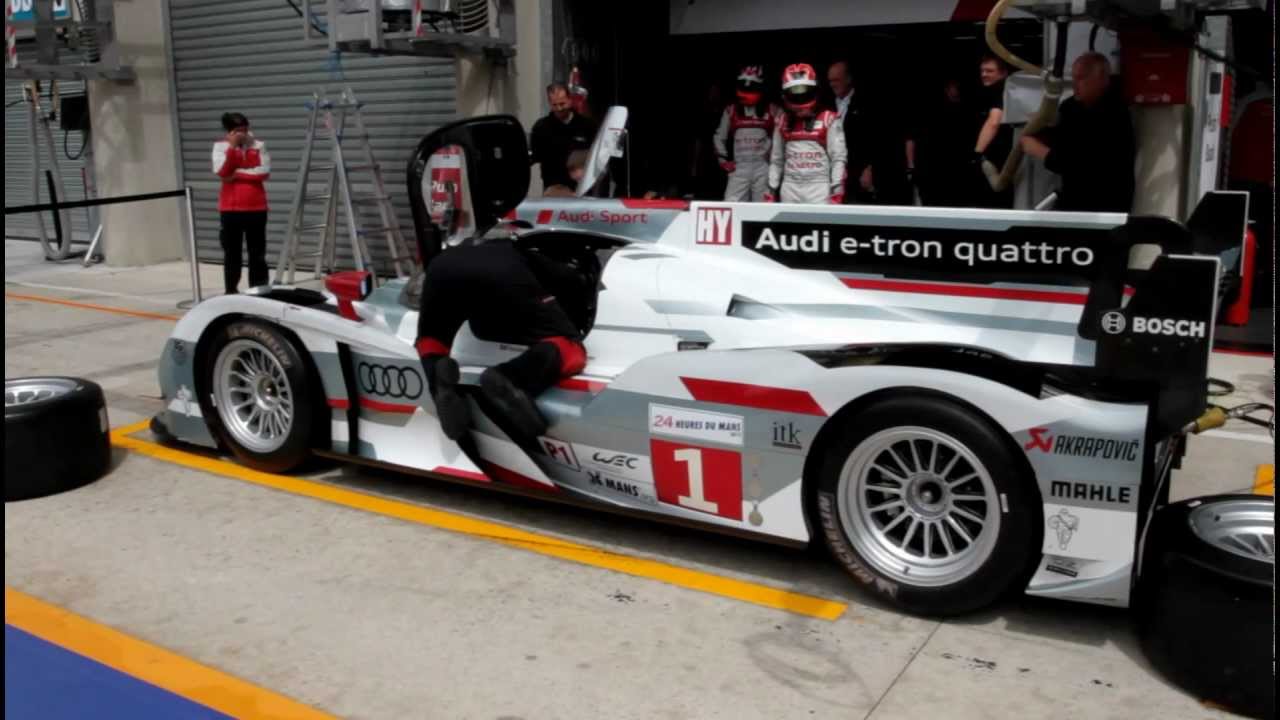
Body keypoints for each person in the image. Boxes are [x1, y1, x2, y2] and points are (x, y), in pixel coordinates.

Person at [415, 239, 589, 443]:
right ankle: (512, 377)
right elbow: (569, 279)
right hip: (502, 272)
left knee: (431, 338)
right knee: (571, 346)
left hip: (441, 267)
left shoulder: (470, 248)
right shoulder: (526, 255)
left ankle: (438, 380)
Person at [1019, 52, 1136, 213]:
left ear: (1102, 79)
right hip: (1072, 200)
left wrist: (1039, 150)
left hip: (1104, 204)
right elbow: (1063, 140)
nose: (1075, 84)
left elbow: (1082, 163)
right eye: (1074, 78)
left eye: (1081, 78)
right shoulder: (1071, 107)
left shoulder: (1114, 114)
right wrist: (1042, 128)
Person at [765, 63, 847, 205]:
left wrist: (837, 188)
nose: (800, 97)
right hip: (790, 187)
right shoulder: (782, 121)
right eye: (794, 95)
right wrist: (770, 190)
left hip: (819, 188)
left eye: (804, 93)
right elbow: (776, 160)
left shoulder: (829, 119)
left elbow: (838, 158)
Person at [212, 112, 271, 295]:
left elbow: (264, 172)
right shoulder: (220, 147)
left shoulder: (258, 145)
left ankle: (259, 289)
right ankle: (231, 291)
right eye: (238, 130)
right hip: (230, 209)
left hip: (256, 207)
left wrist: (236, 174)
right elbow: (222, 172)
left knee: (257, 253)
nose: (242, 133)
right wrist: (232, 148)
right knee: (232, 253)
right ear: (229, 131)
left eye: (245, 129)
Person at [713, 65, 780, 201]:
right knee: (731, 205)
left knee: (763, 207)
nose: (746, 91)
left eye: (751, 88)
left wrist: (774, 163)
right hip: (739, 167)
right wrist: (723, 160)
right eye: (743, 86)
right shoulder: (731, 110)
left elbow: (782, 138)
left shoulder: (773, 110)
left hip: (763, 167)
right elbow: (719, 137)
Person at [908, 77, 976, 207]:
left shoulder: (967, 111)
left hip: (956, 170)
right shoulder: (932, 111)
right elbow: (912, 139)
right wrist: (911, 167)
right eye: (953, 86)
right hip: (931, 170)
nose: (957, 89)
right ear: (946, 89)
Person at [529, 83, 595, 196]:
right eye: (554, 105)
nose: (559, 108)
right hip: (554, 188)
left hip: (581, 188)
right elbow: (535, 155)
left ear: (570, 100)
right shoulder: (541, 127)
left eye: (562, 104)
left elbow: (596, 154)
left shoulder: (586, 125)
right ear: (549, 103)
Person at [971, 54, 1014, 208]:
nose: (984, 74)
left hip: (997, 157)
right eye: (982, 71)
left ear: (1003, 73)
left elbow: (994, 121)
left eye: (989, 71)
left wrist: (977, 153)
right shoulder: (1009, 90)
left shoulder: (999, 90)